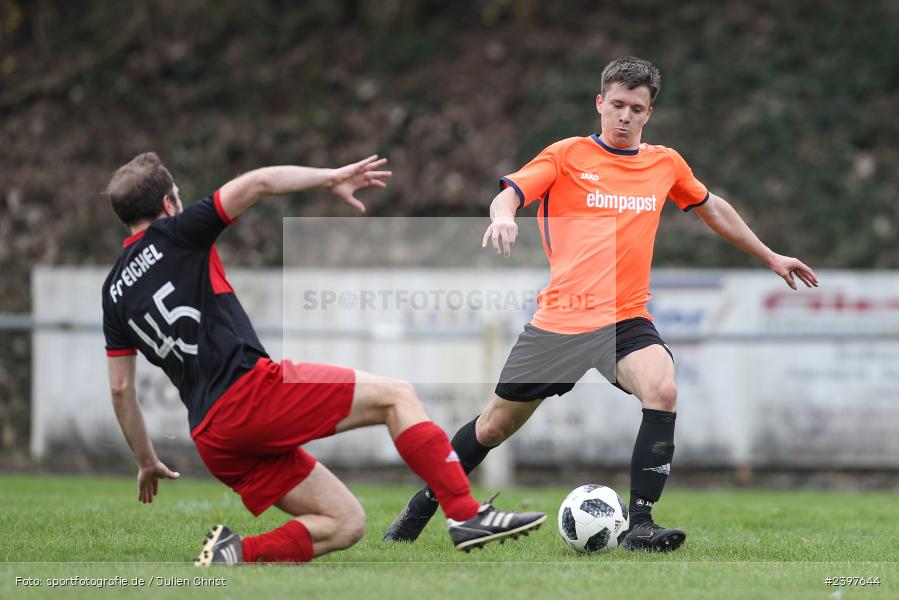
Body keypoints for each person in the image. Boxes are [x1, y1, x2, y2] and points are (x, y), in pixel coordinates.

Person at [384, 56, 818, 551]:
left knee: (663, 389)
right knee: (492, 427)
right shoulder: (566, 155)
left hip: (625, 318)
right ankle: (421, 507)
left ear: (649, 113)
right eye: (617, 105)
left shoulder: (665, 163)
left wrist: (769, 255)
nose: (624, 116)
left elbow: (711, 207)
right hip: (561, 322)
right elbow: (510, 193)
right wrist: (503, 216)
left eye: (636, 108)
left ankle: (641, 525)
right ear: (600, 103)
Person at [101, 152, 546, 565]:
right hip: (250, 394)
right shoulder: (177, 233)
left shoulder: (113, 292)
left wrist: (146, 460)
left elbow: (121, 388)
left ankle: (227, 554)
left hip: (212, 437)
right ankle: (465, 514)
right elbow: (258, 182)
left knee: (344, 523)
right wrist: (330, 178)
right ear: (169, 202)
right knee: (396, 396)